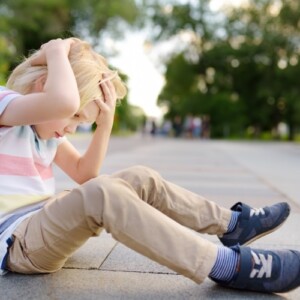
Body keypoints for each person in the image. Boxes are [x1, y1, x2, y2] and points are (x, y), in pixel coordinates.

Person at [0, 37, 300, 294]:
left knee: (139, 177)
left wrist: (104, 126)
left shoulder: (44, 134)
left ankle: (233, 224)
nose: (72, 128)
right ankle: (227, 266)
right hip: (17, 244)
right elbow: (62, 104)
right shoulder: (5, 104)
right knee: (104, 193)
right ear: (44, 85)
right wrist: (55, 51)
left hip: (40, 226)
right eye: (77, 117)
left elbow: (85, 174)